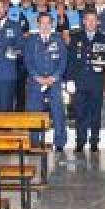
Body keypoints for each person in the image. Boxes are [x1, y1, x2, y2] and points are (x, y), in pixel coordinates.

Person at [67, 10, 105, 153]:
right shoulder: (75, 38)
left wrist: (102, 68)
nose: (91, 22)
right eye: (88, 19)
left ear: (98, 22)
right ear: (84, 21)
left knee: (95, 113)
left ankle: (94, 142)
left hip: (96, 81)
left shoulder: (104, 39)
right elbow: (71, 60)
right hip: (79, 81)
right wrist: (69, 79)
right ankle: (80, 141)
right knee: (80, 113)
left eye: (94, 20)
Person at [22, 12, 67, 151]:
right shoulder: (31, 40)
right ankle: (34, 142)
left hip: (54, 81)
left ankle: (59, 143)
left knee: (58, 112)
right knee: (34, 113)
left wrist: (54, 77)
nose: (45, 26)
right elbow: (27, 61)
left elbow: (63, 61)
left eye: (48, 23)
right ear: (38, 24)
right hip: (35, 82)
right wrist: (38, 77)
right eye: (43, 23)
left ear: (52, 24)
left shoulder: (58, 40)